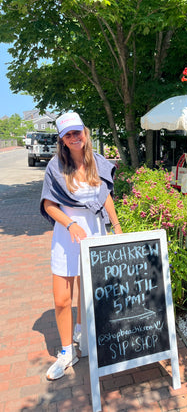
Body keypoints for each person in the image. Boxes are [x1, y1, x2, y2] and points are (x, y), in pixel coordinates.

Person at [40, 111, 122, 380]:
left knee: (89, 292)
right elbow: (49, 205)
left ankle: (83, 334)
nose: (74, 137)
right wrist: (70, 224)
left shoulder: (98, 163)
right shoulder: (55, 167)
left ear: (85, 133)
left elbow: (105, 195)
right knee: (62, 298)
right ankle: (66, 352)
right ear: (62, 139)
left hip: (95, 232)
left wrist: (117, 227)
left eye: (78, 132)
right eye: (68, 134)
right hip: (67, 235)